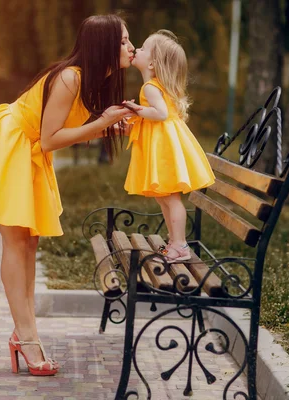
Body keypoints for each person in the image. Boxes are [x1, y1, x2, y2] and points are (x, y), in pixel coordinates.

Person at [0, 14, 135, 376]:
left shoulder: (93, 79)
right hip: (14, 142)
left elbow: (61, 132)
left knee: (28, 243)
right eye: (124, 41)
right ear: (105, 45)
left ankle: (24, 332)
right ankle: (28, 338)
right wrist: (101, 123)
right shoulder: (70, 77)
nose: (131, 47)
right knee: (16, 243)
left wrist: (105, 126)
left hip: (29, 149)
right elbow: (50, 138)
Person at [123, 30, 215, 263]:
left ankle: (180, 246)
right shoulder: (155, 86)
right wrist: (137, 116)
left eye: (142, 49)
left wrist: (136, 110)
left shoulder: (150, 88)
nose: (137, 50)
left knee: (171, 199)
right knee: (164, 198)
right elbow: (157, 115)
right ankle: (174, 243)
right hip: (165, 145)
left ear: (152, 63)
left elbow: (161, 114)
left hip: (164, 149)